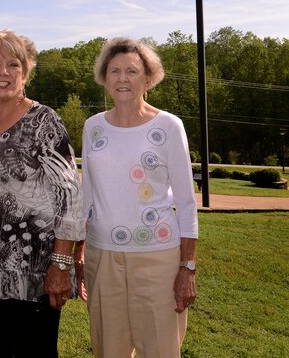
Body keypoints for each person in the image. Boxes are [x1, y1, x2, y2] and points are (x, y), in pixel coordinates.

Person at [0, 30, 86, 358]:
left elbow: (69, 195)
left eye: (12, 64)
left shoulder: (43, 120)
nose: (3, 72)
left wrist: (60, 264)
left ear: (26, 71)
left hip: (37, 274)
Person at [80, 37, 199, 358]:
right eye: (114, 71)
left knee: (161, 349)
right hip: (102, 257)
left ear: (148, 78)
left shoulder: (169, 126)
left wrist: (187, 267)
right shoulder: (93, 128)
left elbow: (187, 202)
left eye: (131, 71)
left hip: (158, 258)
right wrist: (77, 254)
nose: (122, 78)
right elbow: (86, 196)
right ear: (104, 78)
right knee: (109, 350)